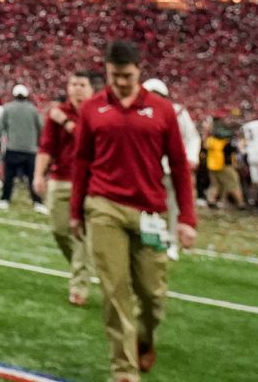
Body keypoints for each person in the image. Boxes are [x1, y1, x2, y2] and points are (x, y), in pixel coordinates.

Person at [71, 40, 196, 382]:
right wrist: (75, 210)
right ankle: (123, 370)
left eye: (126, 75)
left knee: (152, 296)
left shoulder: (162, 111)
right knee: (115, 291)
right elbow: (81, 161)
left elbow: (180, 168)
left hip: (150, 212)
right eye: (114, 75)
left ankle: (145, 337)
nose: (121, 82)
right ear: (106, 71)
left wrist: (186, 218)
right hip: (104, 206)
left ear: (139, 71)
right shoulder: (93, 109)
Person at [33, 69, 97, 305]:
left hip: (90, 181)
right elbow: (46, 146)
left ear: (91, 89)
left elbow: (90, 143)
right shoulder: (57, 113)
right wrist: (39, 174)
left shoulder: (97, 113)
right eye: (73, 84)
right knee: (59, 231)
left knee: (80, 233)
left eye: (81, 84)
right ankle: (83, 268)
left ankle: (79, 285)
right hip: (60, 178)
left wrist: (69, 124)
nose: (76, 88)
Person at [141, 78, 200, 258]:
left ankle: (172, 243)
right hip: (147, 168)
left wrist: (191, 158)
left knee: (174, 207)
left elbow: (192, 137)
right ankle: (146, 239)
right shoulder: (137, 111)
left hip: (170, 167)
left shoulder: (177, 113)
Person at [0, 83, 44, 211]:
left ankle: (5, 199)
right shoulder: (33, 109)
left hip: (13, 147)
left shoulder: (8, 108)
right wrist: (39, 144)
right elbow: (40, 128)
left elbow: (0, 129)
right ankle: (37, 202)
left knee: (9, 176)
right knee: (31, 177)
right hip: (30, 149)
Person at [203, 121, 244, 209]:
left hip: (212, 166)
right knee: (234, 184)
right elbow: (236, 151)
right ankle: (240, 203)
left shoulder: (211, 141)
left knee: (215, 185)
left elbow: (205, 145)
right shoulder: (226, 143)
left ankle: (211, 201)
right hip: (224, 166)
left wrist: (206, 132)